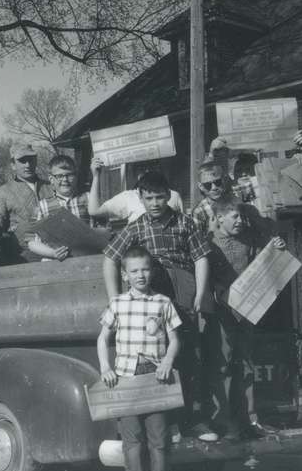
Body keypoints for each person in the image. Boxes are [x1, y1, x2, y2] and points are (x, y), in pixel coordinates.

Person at [101, 171, 217, 442]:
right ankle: (171, 424)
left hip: (184, 289)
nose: (155, 203)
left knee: (191, 354)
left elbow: (200, 258)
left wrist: (200, 293)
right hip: (154, 294)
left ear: (169, 196)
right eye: (149, 198)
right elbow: (109, 259)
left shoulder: (186, 223)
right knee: (162, 357)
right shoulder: (135, 227)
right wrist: (114, 299)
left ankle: (196, 420)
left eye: (160, 197)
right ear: (140, 198)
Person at [97, 246, 181, 471]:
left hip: (156, 382)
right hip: (126, 382)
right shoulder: (117, 304)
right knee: (133, 450)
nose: (140, 275)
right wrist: (105, 367)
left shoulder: (162, 302)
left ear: (152, 271)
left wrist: (168, 360)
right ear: (125, 274)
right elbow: (102, 339)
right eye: (134, 271)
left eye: (145, 269)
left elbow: (174, 339)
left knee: (159, 448)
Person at [207, 195, 287, 438]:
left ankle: (250, 420)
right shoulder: (209, 243)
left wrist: (277, 248)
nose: (240, 221)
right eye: (235, 217)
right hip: (222, 313)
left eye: (241, 216)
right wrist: (216, 290)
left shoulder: (249, 240)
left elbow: (264, 263)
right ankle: (224, 422)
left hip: (246, 312)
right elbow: (203, 274)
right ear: (220, 218)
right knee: (223, 366)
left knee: (247, 365)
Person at [0, 144, 52, 263]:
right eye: (22, 161)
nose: (28, 165)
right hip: (22, 258)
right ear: (13, 165)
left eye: (31, 160)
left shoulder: (51, 187)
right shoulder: (2, 193)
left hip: (56, 252)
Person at [28, 154, 92, 261]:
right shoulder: (42, 206)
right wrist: (53, 253)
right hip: (54, 263)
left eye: (69, 175)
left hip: (86, 259)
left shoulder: (88, 198)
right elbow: (32, 242)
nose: (65, 180)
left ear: (76, 176)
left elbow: (104, 231)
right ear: (51, 179)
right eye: (59, 176)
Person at [88, 156, 184, 225]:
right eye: (141, 168)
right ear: (136, 174)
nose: (147, 172)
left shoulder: (173, 195)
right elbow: (94, 211)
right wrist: (96, 176)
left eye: (151, 167)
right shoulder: (128, 197)